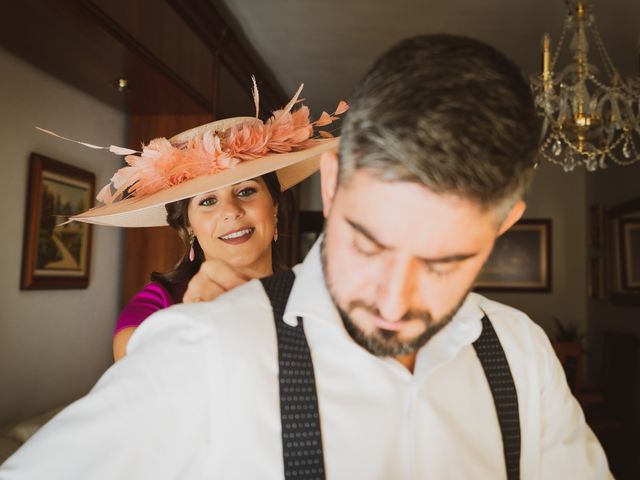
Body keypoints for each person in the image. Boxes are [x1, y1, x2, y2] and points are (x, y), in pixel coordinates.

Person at [0, 34, 610, 479]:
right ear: (333, 180)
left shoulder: (522, 353)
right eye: (369, 243)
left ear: (504, 226)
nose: (393, 301)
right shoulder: (200, 345)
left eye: (444, 262)